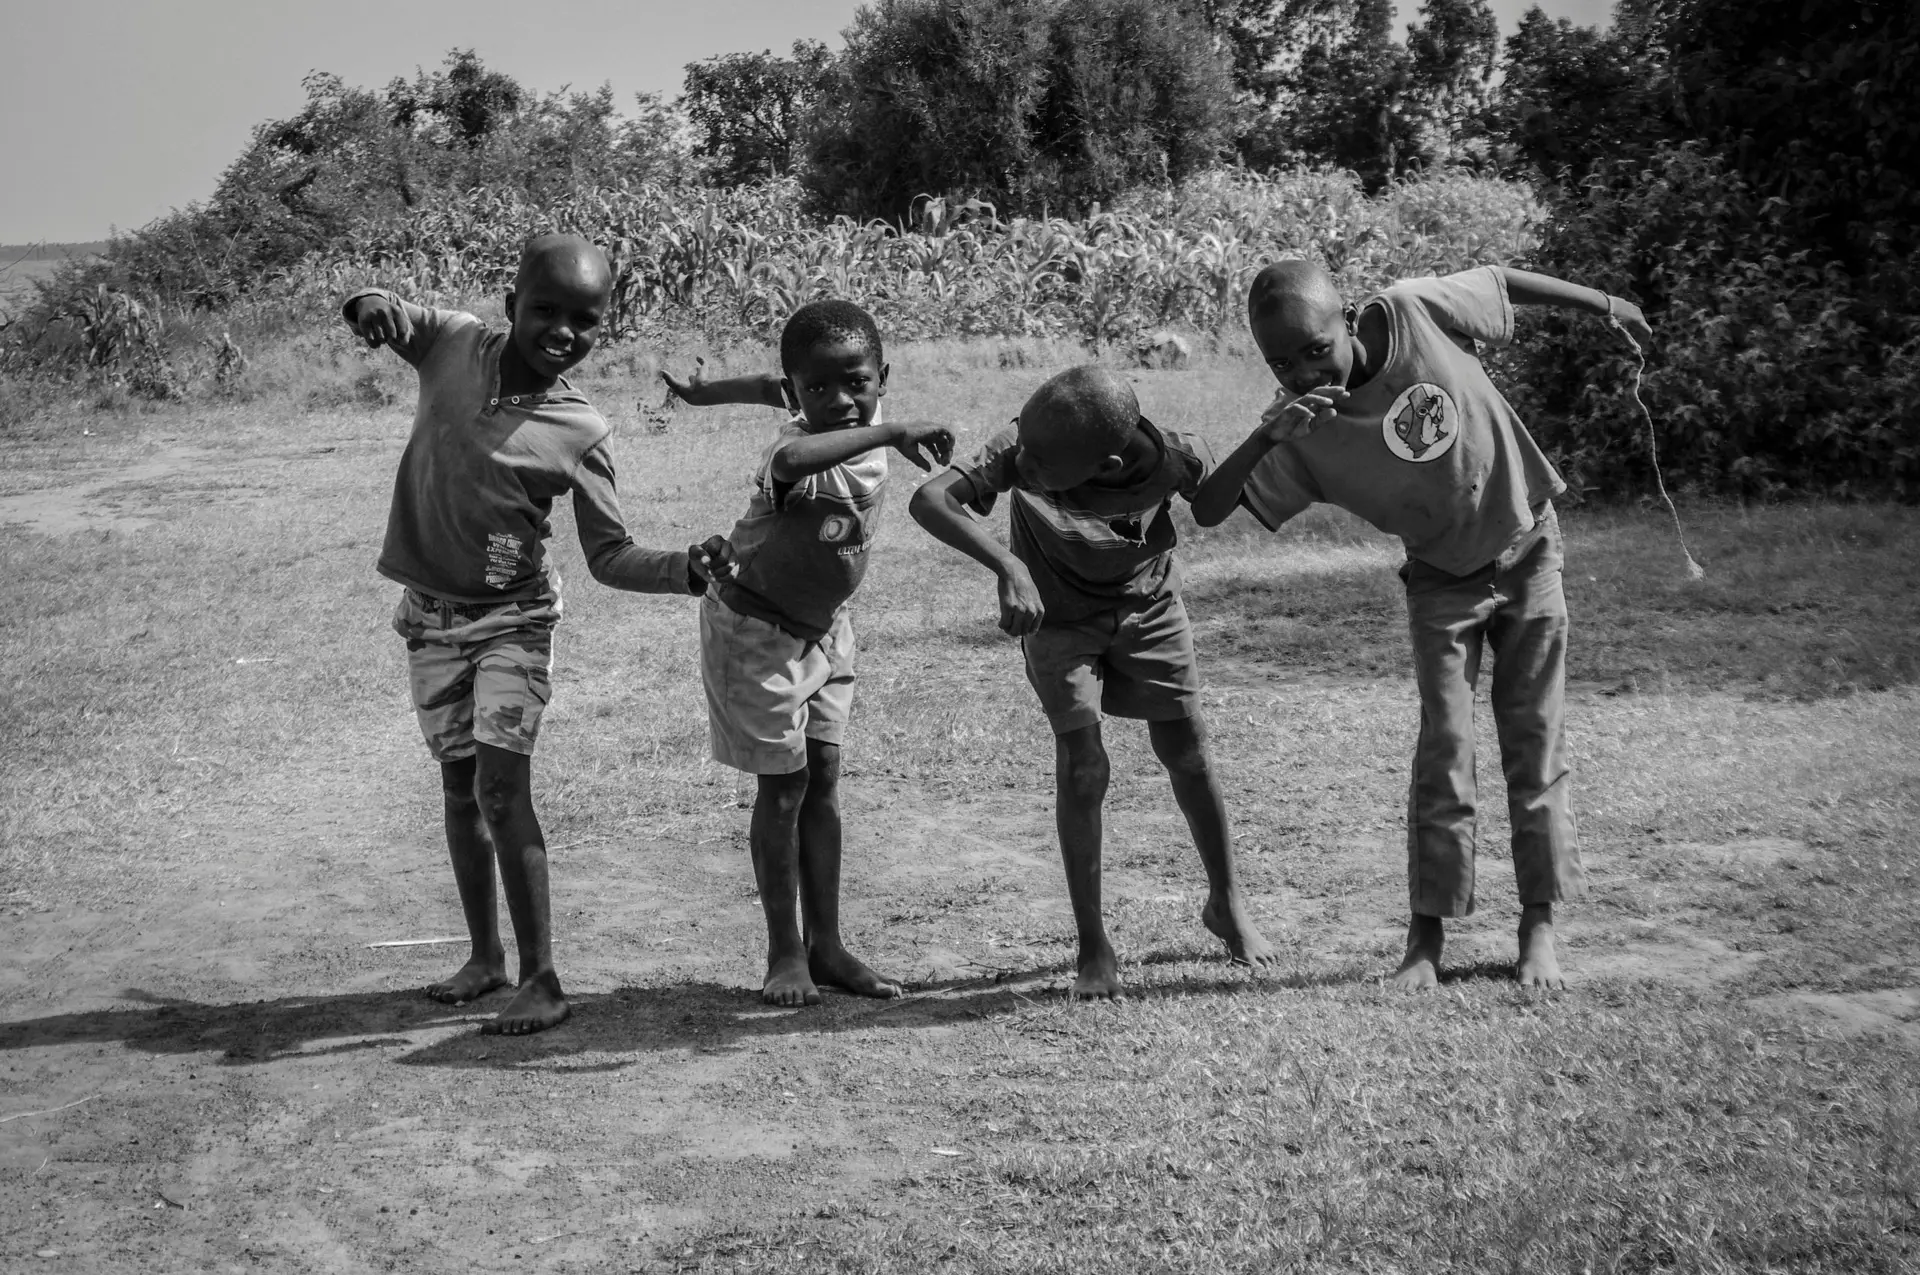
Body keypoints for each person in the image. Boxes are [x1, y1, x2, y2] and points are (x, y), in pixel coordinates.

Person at [1191, 260, 1653, 990]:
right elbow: (1210, 508)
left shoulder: (1413, 312)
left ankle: (1538, 930)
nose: (1305, 371)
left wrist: (1604, 301)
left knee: (1534, 743)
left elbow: (1503, 282)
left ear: (1346, 317)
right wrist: (1264, 436)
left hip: (1529, 546)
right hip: (1440, 580)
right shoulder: (1300, 429)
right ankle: (1426, 941)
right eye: (1281, 362)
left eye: (1316, 349)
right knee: (1445, 746)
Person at [342, 232, 728, 1034]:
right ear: (511, 304)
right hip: (429, 618)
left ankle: (542, 977)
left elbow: (611, 554)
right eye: (545, 310)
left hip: (514, 620)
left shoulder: (581, 429)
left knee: (501, 788)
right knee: (459, 785)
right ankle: (484, 958)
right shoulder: (453, 340)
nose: (562, 331)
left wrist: (686, 569)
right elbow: (387, 308)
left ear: (601, 329)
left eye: (584, 320)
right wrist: (368, 305)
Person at [910, 366, 1277, 1001]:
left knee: (1188, 754)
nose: (1021, 462)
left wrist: (1265, 440)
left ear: (1106, 461)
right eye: (1020, 447)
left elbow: (1212, 507)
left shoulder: (1175, 455)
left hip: (1150, 608)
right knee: (1084, 768)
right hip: (1058, 621)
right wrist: (1007, 563)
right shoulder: (1025, 448)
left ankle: (1227, 902)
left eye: (1035, 461)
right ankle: (1093, 943)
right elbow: (929, 499)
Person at [672, 300, 954, 1007]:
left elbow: (778, 385)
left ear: (881, 374)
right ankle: (784, 952)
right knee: (785, 786)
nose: (838, 401)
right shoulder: (798, 447)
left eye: (855, 383)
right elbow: (791, 454)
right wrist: (884, 427)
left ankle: (827, 944)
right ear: (799, 394)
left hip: (827, 629)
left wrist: (708, 393)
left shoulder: (837, 404)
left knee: (823, 775)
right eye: (817, 390)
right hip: (756, 631)